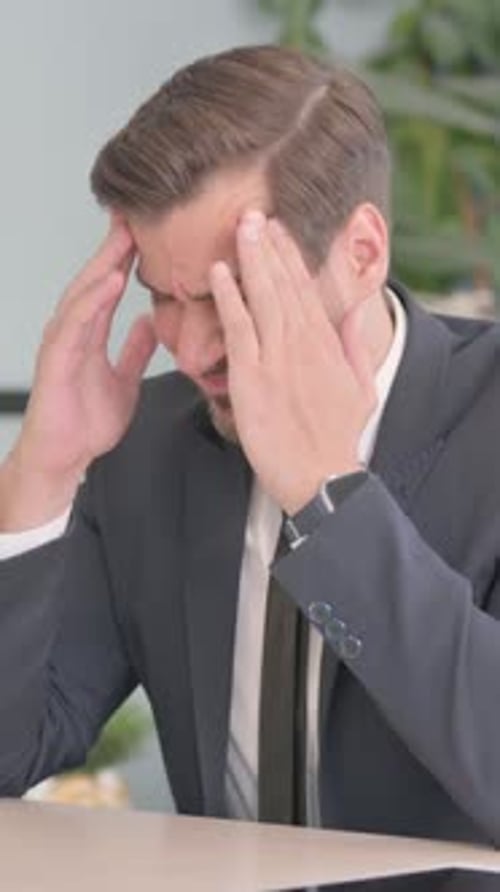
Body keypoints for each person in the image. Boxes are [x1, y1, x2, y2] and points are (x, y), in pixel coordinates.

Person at [1, 43, 500, 876]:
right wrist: (37, 475)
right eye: (164, 296)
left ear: (362, 252)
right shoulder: (148, 445)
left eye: (230, 295)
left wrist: (327, 496)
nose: (193, 349)